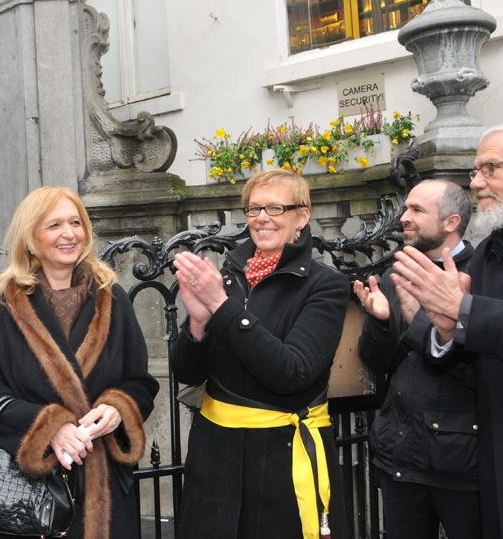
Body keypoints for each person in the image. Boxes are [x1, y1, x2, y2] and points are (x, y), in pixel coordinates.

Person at [0, 186, 159, 539]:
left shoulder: (112, 297)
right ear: (31, 238)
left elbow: (140, 383)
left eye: (75, 223)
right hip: (27, 488)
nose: (69, 234)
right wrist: (49, 427)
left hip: (105, 488)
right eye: (54, 225)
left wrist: (118, 409)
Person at [171, 168, 350, 539]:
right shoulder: (229, 274)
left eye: (275, 207)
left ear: (303, 215)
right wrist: (199, 325)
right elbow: (186, 372)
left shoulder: (325, 284)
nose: (262, 218)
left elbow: (293, 372)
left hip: (280, 462)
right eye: (254, 209)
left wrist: (220, 307)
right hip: (214, 458)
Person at [392, 125, 503, 538]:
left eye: (490, 168)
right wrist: (441, 329)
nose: (475, 182)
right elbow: (457, 342)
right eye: (476, 170)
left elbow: (471, 315)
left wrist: (462, 310)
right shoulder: (491, 252)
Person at [356, 180, 480, 539]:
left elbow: (474, 365)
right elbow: (373, 362)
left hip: (462, 464)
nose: (403, 218)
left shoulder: (480, 276)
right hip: (400, 458)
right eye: (405, 208)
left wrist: (427, 324)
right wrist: (380, 323)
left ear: (451, 222)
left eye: (416, 210)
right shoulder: (398, 274)